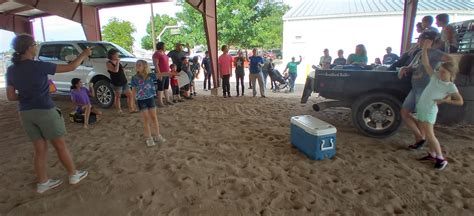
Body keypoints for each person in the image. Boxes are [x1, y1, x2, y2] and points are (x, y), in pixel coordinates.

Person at [6, 34, 89, 194]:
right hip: (45, 109)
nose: (36, 46)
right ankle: (73, 175)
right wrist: (84, 55)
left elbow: (10, 96)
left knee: (39, 149)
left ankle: (43, 182)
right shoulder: (39, 66)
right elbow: (71, 67)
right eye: (35, 44)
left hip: (26, 113)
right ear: (29, 47)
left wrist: (26, 96)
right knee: (60, 146)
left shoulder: (11, 69)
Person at [398, 31, 451, 150]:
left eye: (421, 39)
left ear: (429, 41)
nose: (419, 42)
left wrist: (441, 75)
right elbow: (412, 66)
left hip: (425, 88)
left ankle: (422, 142)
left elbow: (450, 60)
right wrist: (404, 68)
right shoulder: (418, 53)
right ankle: (420, 138)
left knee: (422, 117)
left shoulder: (435, 53)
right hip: (415, 87)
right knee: (405, 112)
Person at [416, 40, 463, 170]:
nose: (440, 73)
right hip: (422, 107)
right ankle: (432, 154)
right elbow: (426, 63)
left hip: (430, 110)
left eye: (443, 72)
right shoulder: (435, 77)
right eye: (440, 70)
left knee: (430, 135)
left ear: (451, 74)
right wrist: (424, 49)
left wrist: (445, 100)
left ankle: (441, 159)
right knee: (425, 132)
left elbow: (460, 101)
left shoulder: (451, 86)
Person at [130, 60, 167, 147]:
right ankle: (149, 138)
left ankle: (157, 135)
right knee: (146, 119)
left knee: (154, 118)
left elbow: (162, 74)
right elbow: (133, 91)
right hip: (141, 100)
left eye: (139, 65)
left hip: (150, 99)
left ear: (145, 67)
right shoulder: (134, 78)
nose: (137, 67)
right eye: (137, 65)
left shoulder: (151, 76)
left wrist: (171, 73)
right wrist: (132, 103)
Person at [106, 49, 137, 114]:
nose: (118, 55)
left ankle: (131, 109)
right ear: (112, 55)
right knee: (118, 96)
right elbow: (115, 70)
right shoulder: (109, 63)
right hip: (117, 82)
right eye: (116, 54)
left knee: (130, 95)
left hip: (123, 81)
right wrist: (117, 62)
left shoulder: (117, 61)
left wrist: (124, 71)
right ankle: (119, 110)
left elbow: (121, 70)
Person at [152, 42, 173, 107]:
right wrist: (159, 74)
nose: (165, 47)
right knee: (160, 88)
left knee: (166, 87)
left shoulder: (164, 53)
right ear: (161, 46)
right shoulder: (156, 54)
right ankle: (160, 102)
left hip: (166, 73)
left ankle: (167, 100)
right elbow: (156, 65)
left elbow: (166, 64)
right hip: (161, 73)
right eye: (164, 46)